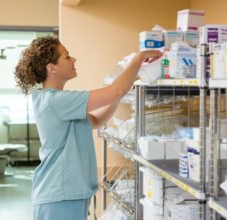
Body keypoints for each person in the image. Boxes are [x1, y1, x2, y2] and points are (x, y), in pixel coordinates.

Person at [14, 36, 162, 220]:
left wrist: (126, 84)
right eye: (67, 57)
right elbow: (115, 90)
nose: (73, 59)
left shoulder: (57, 101)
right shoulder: (55, 101)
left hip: (67, 194)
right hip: (59, 194)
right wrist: (139, 58)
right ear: (51, 68)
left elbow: (97, 120)